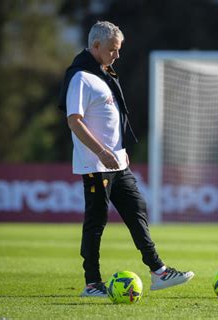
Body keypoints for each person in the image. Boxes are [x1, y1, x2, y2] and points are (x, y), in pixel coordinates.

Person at [58, 21, 194, 297]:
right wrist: (102, 152)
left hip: (117, 162)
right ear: (95, 46)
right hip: (97, 164)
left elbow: (108, 120)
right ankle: (92, 283)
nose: (117, 55)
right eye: (112, 49)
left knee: (137, 208)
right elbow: (74, 121)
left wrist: (117, 148)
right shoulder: (81, 77)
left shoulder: (102, 74)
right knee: (96, 222)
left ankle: (159, 272)